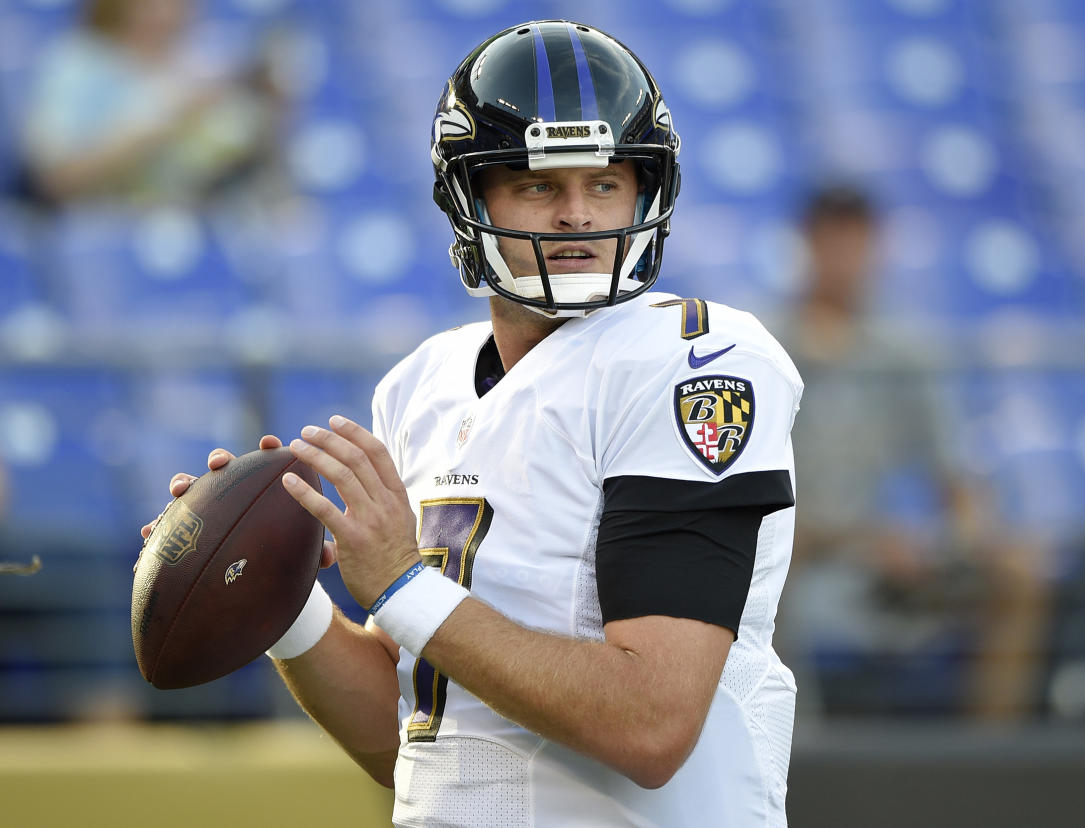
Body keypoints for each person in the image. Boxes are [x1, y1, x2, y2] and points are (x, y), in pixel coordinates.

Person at [140, 20, 802, 827]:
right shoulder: (421, 385)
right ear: (469, 198)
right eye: (536, 185)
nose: (575, 217)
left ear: (645, 192)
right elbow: (422, 740)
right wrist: (275, 596)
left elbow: (651, 723)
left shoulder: (693, 363)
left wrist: (401, 587)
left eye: (605, 184)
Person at [776, 185, 1047, 722]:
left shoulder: (905, 351)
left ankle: (986, 762)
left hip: (887, 557)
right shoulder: (761, 341)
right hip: (793, 550)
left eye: (856, 241)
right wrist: (862, 540)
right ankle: (798, 764)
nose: (845, 257)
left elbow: (957, 480)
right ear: (807, 243)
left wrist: (961, 542)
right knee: (770, 565)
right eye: (832, 239)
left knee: (1020, 572)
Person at [20, 0, 284, 206]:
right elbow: (56, 181)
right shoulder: (80, 65)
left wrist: (272, 108)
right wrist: (162, 122)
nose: (166, 13)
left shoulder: (203, 62)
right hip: (104, 229)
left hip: (199, 224)